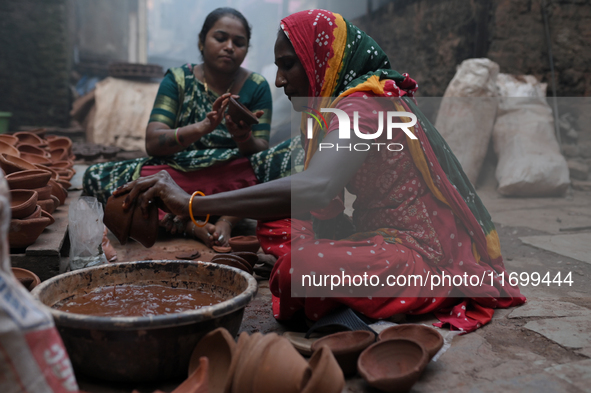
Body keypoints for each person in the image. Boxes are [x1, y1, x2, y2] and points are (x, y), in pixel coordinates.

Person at [113, 10, 525, 332]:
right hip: (373, 230)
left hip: (421, 252)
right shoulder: (330, 109)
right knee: (277, 222)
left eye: (288, 65)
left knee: (300, 269)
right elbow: (315, 200)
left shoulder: (363, 106)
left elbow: (316, 187)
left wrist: (191, 205)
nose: (277, 80)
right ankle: (334, 277)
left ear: (320, 61)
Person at [83, 7, 300, 247]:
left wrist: (243, 137)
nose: (229, 46)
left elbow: (260, 154)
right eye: (220, 38)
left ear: (246, 49)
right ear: (201, 41)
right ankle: (190, 224)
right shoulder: (178, 79)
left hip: (233, 175)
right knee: (98, 177)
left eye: (239, 43)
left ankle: (226, 220)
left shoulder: (256, 85)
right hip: (179, 174)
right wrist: (204, 127)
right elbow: (153, 143)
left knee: (289, 157)